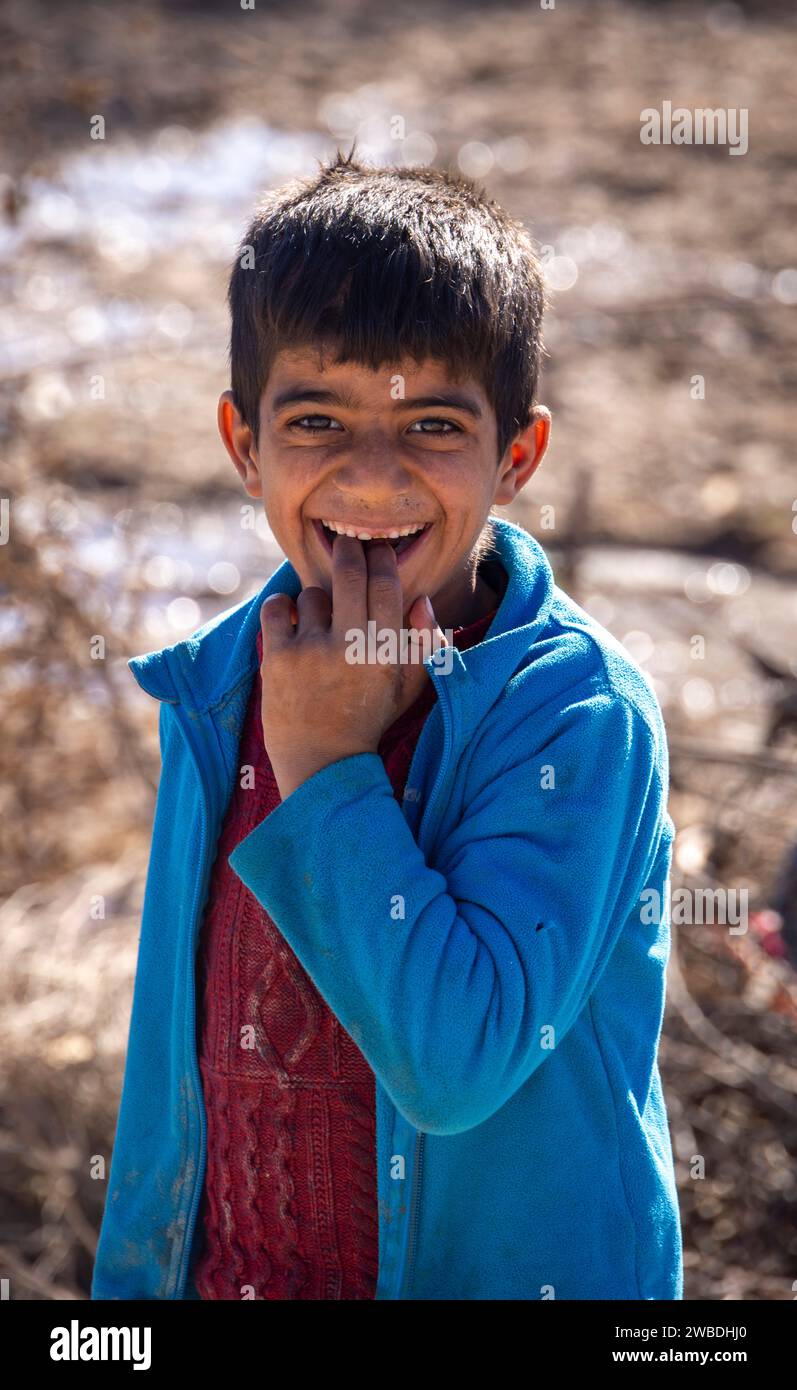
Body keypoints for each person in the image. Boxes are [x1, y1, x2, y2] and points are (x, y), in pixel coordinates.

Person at [91, 147, 683, 1300]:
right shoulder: (213, 689)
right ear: (241, 445)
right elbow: (168, 1079)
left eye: (430, 428)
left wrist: (324, 765)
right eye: (315, 419)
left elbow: (452, 1067)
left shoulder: (574, 721)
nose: (371, 481)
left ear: (515, 457)